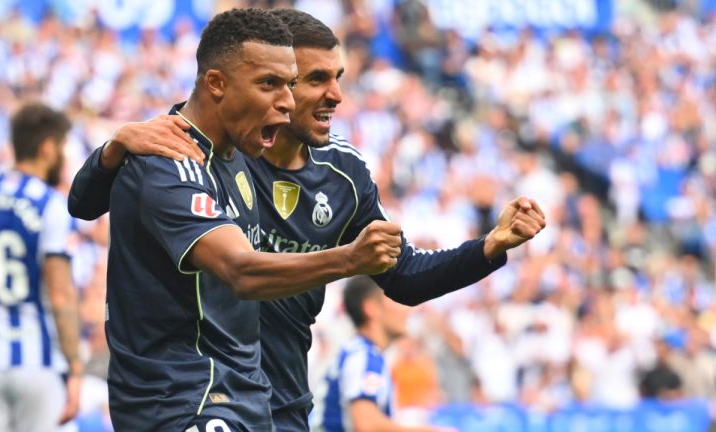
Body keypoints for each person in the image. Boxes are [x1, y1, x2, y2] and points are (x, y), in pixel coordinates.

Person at [68, 9, 545, 431]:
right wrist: (112, 150)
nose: (336, 95)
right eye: (314, 79)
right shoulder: (204, 150)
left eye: (338, 77)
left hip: (278, 399)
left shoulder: (342, 174)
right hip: (197, 397)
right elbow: (91, 203)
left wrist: (489, 246)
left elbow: (404, 275)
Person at [69, 8, 402, 432]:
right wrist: (350, 259)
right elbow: (240, 270)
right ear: (217, 83)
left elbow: (83, 202)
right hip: (187, 403)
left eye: (290, 85)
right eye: (269, 84)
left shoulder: (237, 156)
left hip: (246, 400)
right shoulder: (170, 160)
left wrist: (111, 149)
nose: (287, 102)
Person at [0, 103, 81, 432]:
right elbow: (61, 295)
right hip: (38, 361)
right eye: (62, 148)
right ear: (47, 147)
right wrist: (74, 366)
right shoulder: (50, 203)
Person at [316, 276, 446, 432]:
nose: (408, 310)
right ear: (371, 308)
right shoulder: (364, 357)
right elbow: (366, 425)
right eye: (398, 299)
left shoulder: (361, 352)